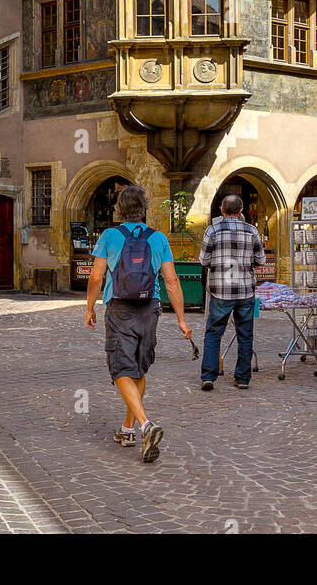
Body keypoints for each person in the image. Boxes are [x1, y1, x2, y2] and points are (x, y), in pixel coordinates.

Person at [84, 184, 192, 463]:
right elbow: (171, 280)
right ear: (144, 209)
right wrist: (181, 319)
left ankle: (145, 425)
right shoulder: (158, 238)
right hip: (149, 308)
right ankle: (127, 429)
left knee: (121, 368)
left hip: (119, 307)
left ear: (119, 209)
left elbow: (96, 277)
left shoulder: (110, 235)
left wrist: (89, 308)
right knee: (138, 368)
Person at [198, 194, 265, 391]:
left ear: (222, 210)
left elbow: (203, 259)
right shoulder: (252, 231)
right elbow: (260, 260)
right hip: (245, 290)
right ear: (241, 210)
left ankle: (209, 375)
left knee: (213, 333)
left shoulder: (212, 230)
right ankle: (242, 378)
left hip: (220, 290)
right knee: (245, 334)